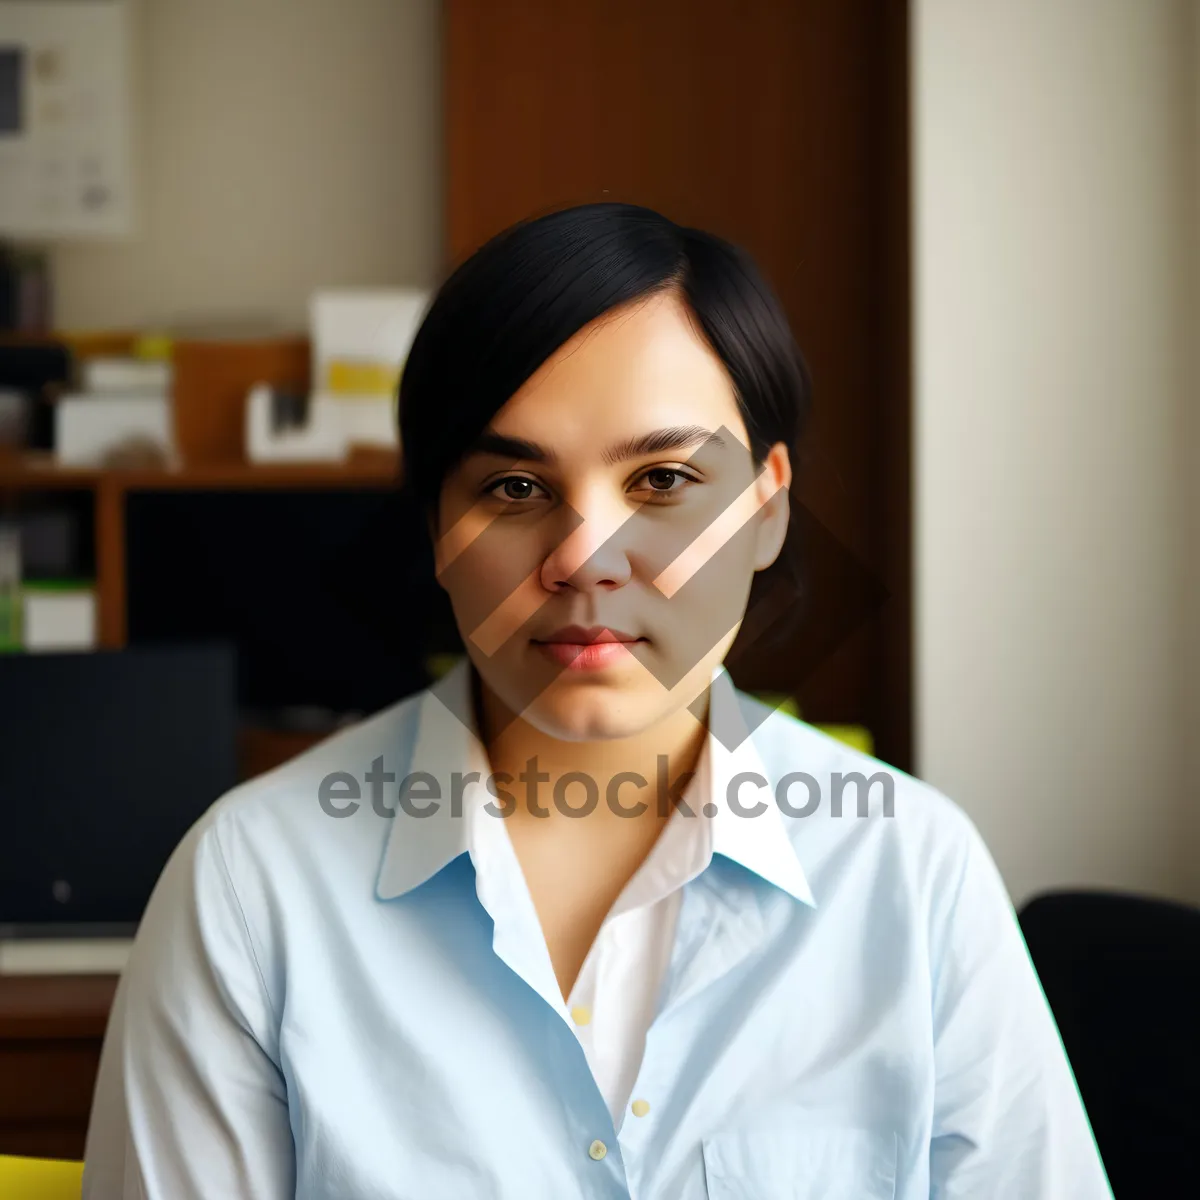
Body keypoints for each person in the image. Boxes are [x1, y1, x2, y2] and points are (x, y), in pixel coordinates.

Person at [83, 203, 1112, 1199]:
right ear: (438, 527)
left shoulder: (912, 873)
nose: (585, 561)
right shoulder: (251, 888)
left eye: (662, 479)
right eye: (516, 490)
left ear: (766, 507)